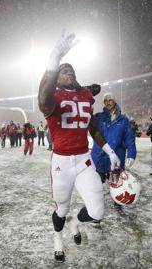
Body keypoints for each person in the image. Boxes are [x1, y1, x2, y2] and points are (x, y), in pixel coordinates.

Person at [38, 30, 120, 263]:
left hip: (84, 160)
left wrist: (110, 152)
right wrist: (55, 57)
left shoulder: (84, 97)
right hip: (62, 162)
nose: (69, 71)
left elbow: (92, 127)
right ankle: (57, 238)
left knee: (97, 211)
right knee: (61, 209)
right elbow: (43, 98)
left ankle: (75, 222)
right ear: (56, 77)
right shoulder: (52, 96)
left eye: (71, 69)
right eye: (64, 70)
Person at [91, 92, 136, 184]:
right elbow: (87, 121)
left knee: (115, 185)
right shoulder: (99, 117)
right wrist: (89, 110)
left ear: (114, 101)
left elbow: (130, 138)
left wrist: (131, 154)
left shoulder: (123, 120)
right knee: (96, 186)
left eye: (110, 100)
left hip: (116, 157)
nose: (108, 103)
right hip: (99, 157)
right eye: (105, 101)